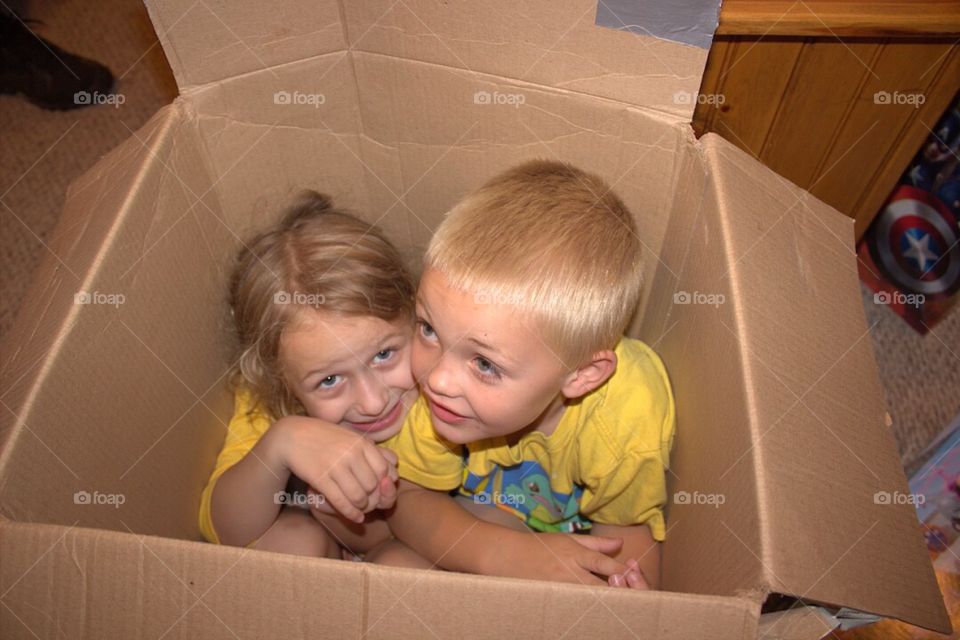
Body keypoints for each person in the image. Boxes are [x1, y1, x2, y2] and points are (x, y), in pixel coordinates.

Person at [385, 160, 676, 589]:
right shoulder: (438, 393)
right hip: (475, 528)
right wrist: (504, 554)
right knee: (393, 565)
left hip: (567, 550)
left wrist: (623, 600)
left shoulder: (626, 414)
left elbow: (626, 531)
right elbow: (408, 498)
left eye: (484, 364)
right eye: (428, 328)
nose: (436, 380)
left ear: (582, 375)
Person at [198, 191, 425, 564]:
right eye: (330, 380)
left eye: (384, 355)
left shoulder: (448, 381)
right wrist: (282, 443)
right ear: (279, 381)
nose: (373, 402)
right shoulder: (268, 402)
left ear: (417, 317)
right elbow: (225, 532)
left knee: (400, 563)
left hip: (419, 545)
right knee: (294, 539)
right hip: (330, 553)